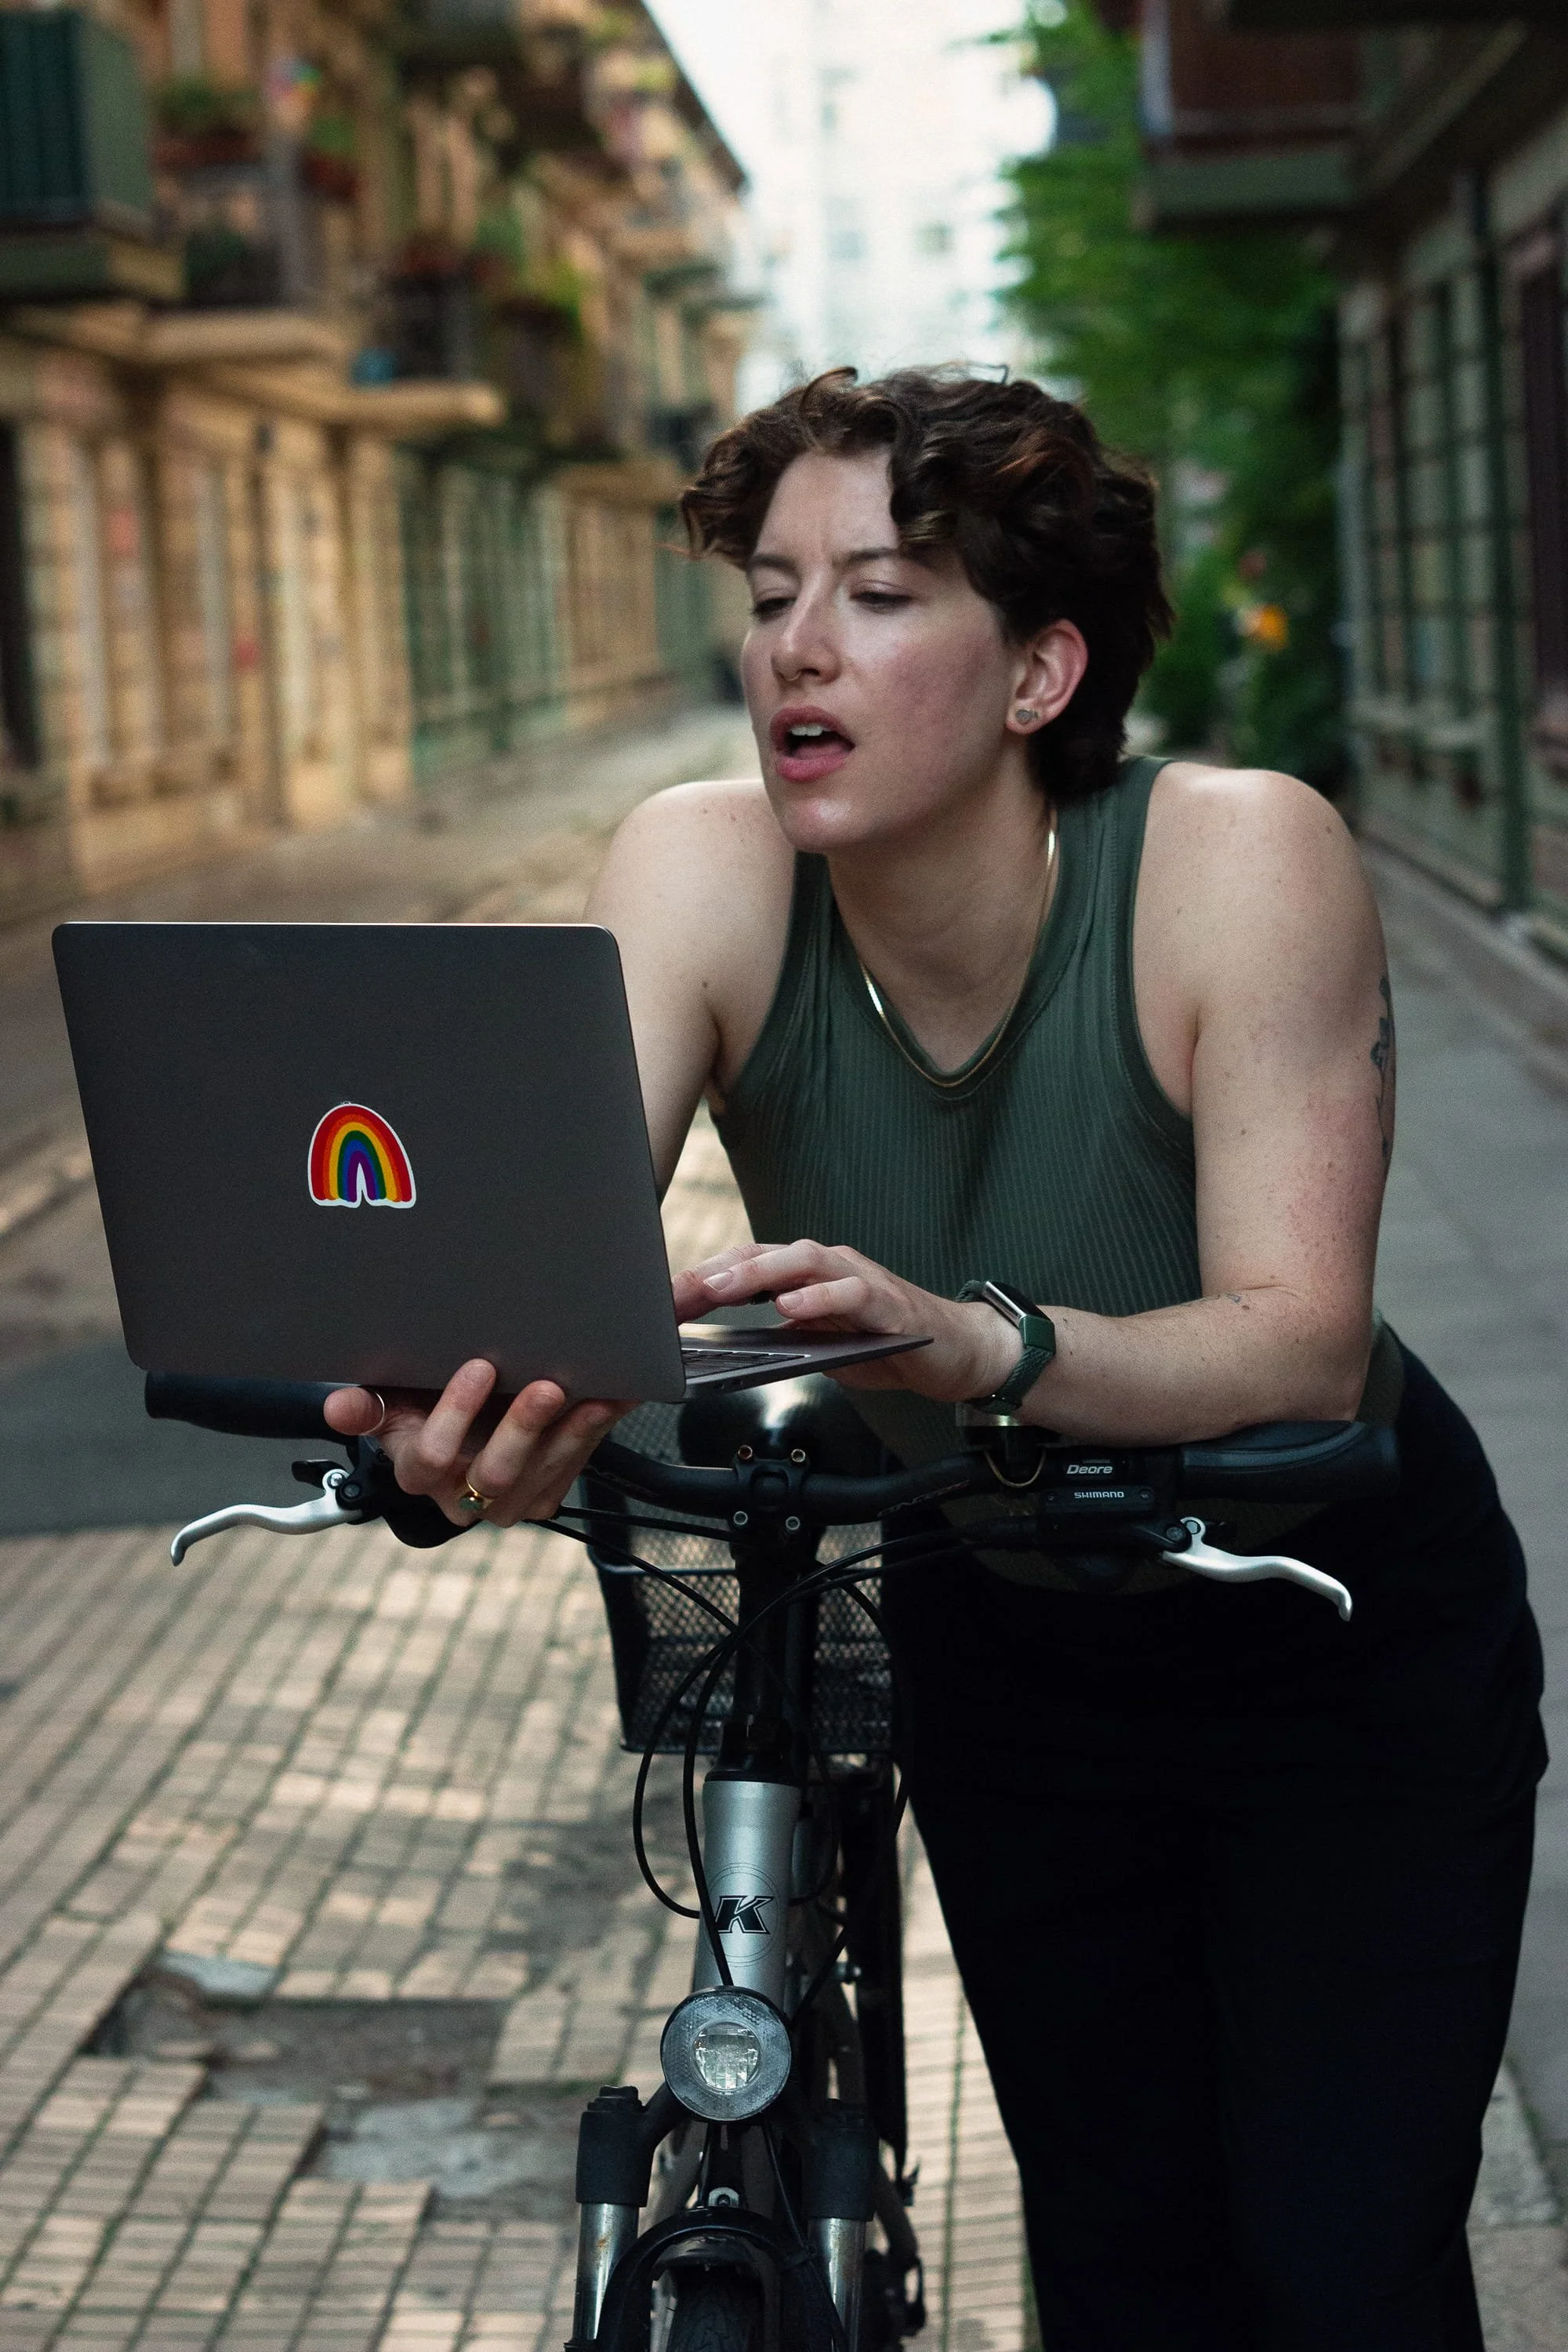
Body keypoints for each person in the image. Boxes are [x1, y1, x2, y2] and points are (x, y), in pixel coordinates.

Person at [325, 368, 1545, 2350]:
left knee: (1340, 2273)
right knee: (1124, 2265)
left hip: (1326, 1619)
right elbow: (544, 1259)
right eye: (775, 589)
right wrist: (450, 1407)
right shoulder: (704, 865)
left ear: (1041, 669)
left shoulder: (1236, 852)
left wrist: (968, 1340)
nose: (797, 644)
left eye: (883, 595)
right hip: (1011, 1637)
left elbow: (1300, 1341)